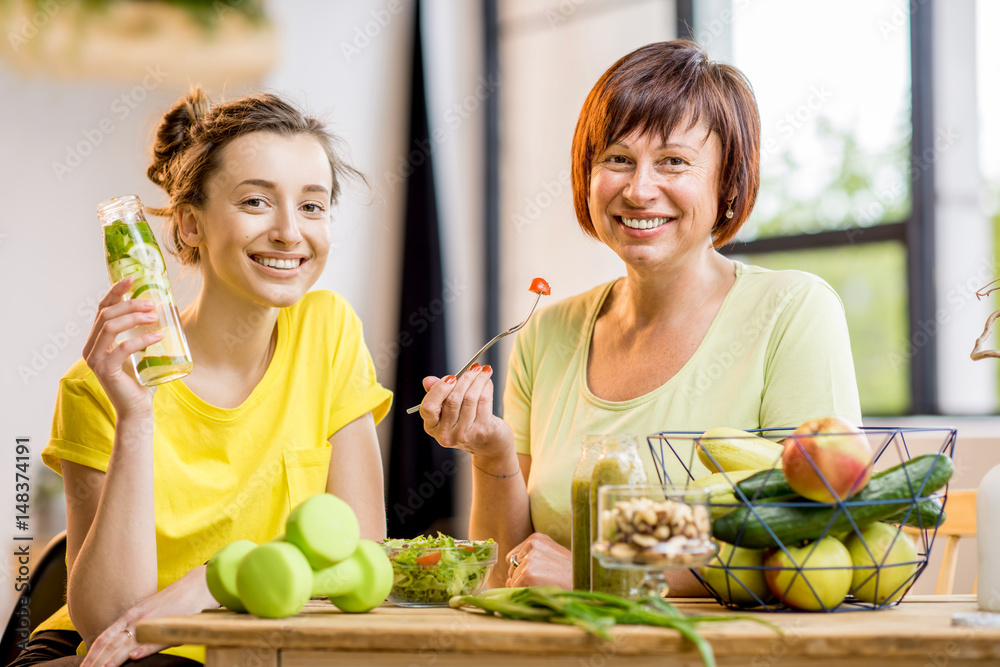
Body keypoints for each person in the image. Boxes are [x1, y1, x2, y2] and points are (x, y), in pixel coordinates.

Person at [417, 40, 862, 592]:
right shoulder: (546, 334)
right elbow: (511, 568)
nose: (639, 189)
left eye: (673, 161)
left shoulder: (793, 310)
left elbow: (814, 542)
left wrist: (597, 576)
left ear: (727, 181)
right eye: (617, 159)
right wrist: (491, 451)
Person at [14, 89, 392, 667]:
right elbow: (114, 624)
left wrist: (216, 581)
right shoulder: (96, 387)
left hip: (253, 649)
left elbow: (361, 555)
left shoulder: (328, 330)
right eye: (257, 202)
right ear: (189, 225)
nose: (291, 232)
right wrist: (137, 417)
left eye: (312, 206)